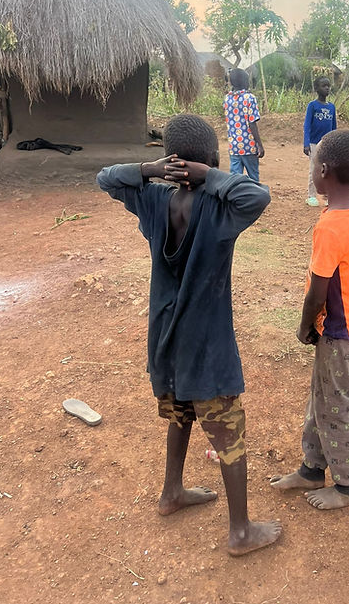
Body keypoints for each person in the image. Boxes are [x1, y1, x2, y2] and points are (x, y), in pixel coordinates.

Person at [97, 114, 281, 556]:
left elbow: (107, 178)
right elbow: (258, 194)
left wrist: (150, 171)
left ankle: (172, 493)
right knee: (228, 432)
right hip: (207, 346)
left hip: (165, 341)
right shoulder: (221, 207)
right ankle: (240, 532)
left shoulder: (155, 201)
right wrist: (214, 176)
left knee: (181, 414)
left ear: (169, 162)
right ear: (212, 163)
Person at [270, 129, 349, 510]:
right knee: (322, 401)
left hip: (339, 333)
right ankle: (312, 468)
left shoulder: (330, 226)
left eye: (314, 164)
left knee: (336, 408)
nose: (312, 170)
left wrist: (303, 326)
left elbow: (318, 289)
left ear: (324, 170)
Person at [224, 68, 265, 182]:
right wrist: (260, 145)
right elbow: (252, 124)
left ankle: (235, 199)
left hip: (234, 146)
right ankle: (254, 198)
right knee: (253, 177)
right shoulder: (249, 98)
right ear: (244, 81)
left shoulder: (227, 99)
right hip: (249, 146)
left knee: (235, 179)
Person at [303, 76, 337, 206]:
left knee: (329, 170)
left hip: (327, 143)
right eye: (324, 86)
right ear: (317, 88)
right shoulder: (312, 105)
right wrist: (306, 144)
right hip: (313, 143)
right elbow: (307, 125)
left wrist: (334, 142)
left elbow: (334, 126)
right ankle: (311, 196)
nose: (327, 88)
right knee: (314, 169)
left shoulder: (332, 107)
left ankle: (328, 196)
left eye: (328, 86)